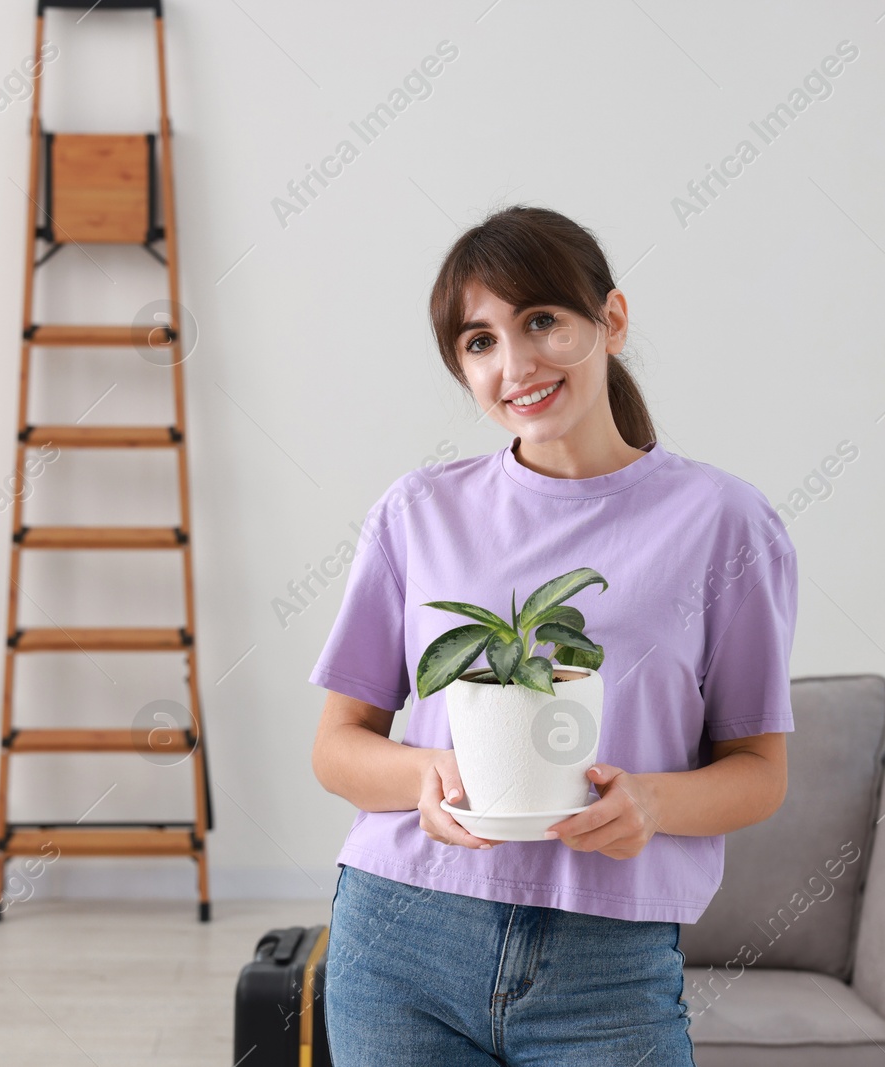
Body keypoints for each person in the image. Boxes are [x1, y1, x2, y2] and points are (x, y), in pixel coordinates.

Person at [308, 205, 799, 1065]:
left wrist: (650, 802)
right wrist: (432, 775)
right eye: (479, 341)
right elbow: (337, 749)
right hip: (399, 932)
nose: (516, 364)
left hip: (606, 959)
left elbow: (759, 774)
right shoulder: (418, 512)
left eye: (540, 321)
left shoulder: (726, 522)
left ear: (609, 320)